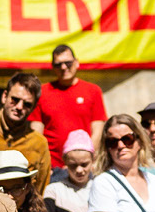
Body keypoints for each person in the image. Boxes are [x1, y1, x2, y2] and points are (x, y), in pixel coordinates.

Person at [0, 72, 52, 193]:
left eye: (27, 104)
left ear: (34, 107)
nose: (19, 107)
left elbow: (40, 191)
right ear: (4, 96)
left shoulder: (39, 143)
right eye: (15, 99)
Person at [33, 43, 105, 171]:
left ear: (76, 63)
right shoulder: (41, 92)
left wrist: (83, 161)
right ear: (53, 67)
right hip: (52, 168)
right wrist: (43, 163)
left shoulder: (93, 91)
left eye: (68, 63)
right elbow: (36, 134)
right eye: (58, 64)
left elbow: (98, 131)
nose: (63, 67)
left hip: (81, 168)